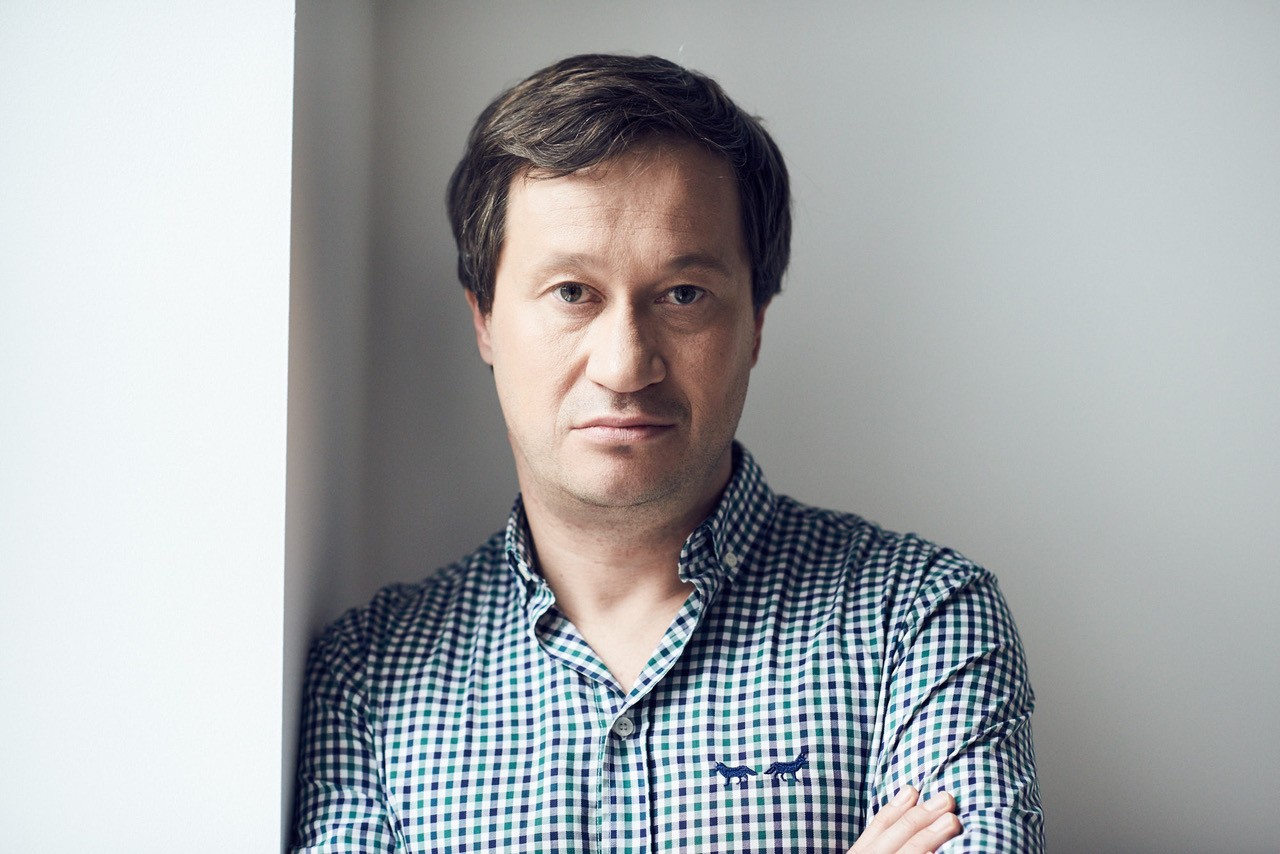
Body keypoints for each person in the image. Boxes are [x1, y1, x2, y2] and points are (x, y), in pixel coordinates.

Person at [291, 53, 1043, 853]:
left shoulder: (919, 621)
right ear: (484, 319)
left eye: (683, 295)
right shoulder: (365, 678)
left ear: (755, 323)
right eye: (572, 293)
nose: (625, 365)